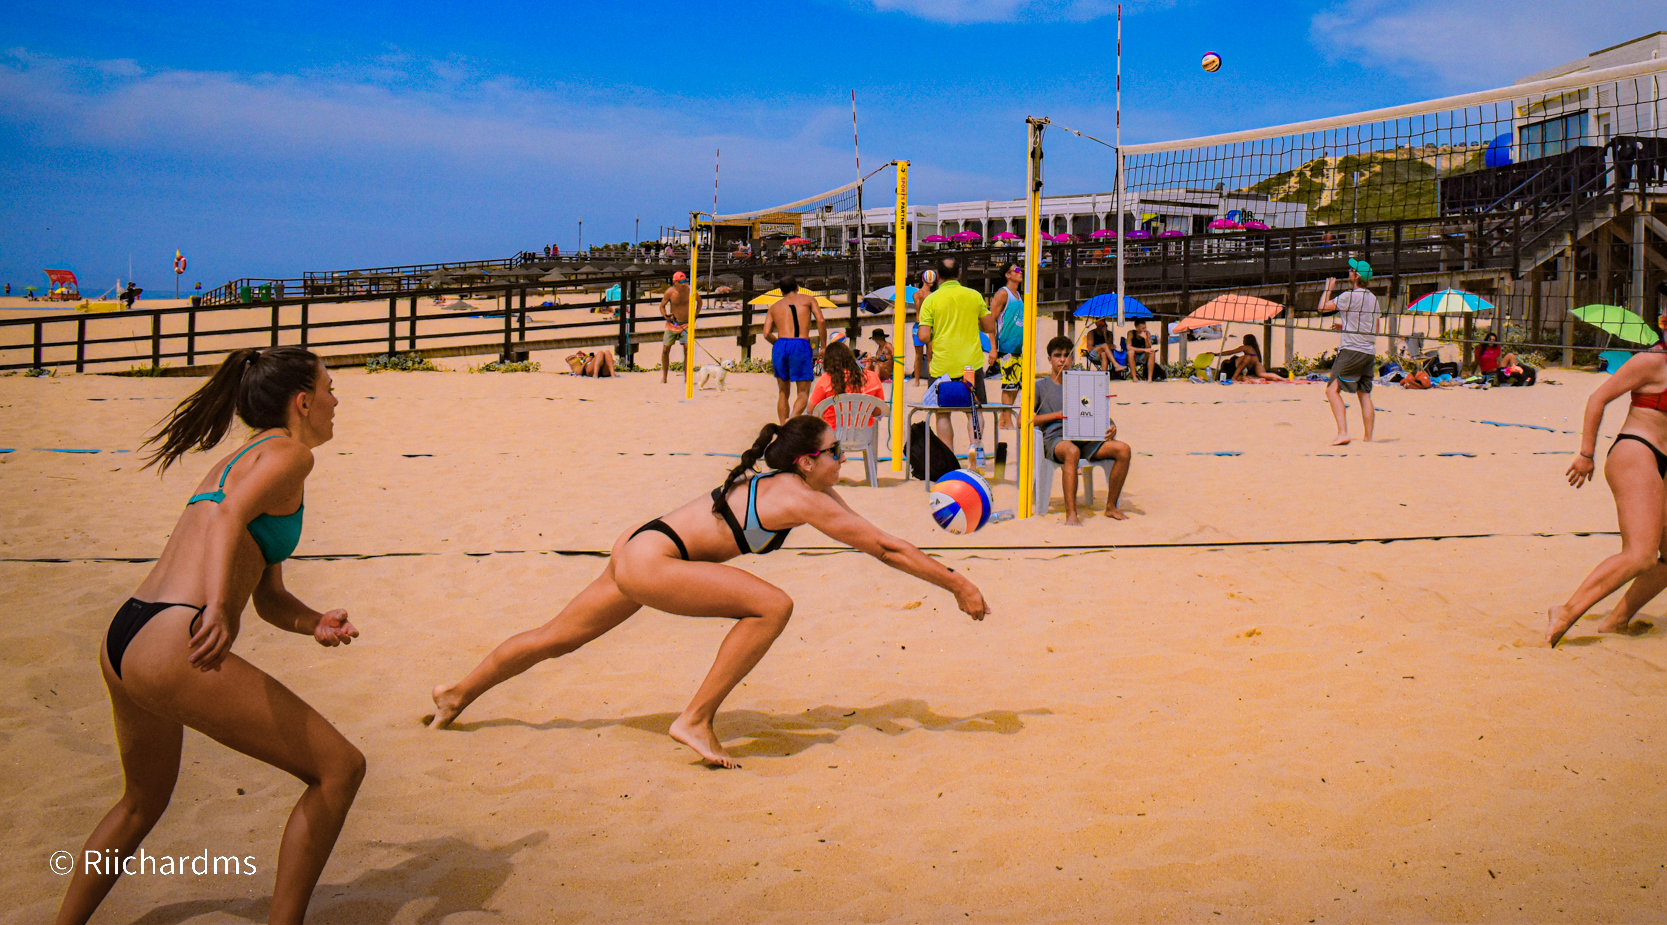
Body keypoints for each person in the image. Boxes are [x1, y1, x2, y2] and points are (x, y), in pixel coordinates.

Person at [429, 416, 988, 767]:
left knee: (555, 639)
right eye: (835, 450)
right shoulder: (801, 496)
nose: (842, 456)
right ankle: (695, 719)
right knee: (772, 606)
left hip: (642, 546)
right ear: (807, 461)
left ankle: (456, 694)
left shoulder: (802, 489)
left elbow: (880, 539)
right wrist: (957, 583)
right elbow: (885, 550)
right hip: (656, 560)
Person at [57, 349, 364, 925]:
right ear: (302, 402)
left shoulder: (242, 459)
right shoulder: (291, 455)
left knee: (140, 803)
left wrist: (313, 621)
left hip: (128, 634)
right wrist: (220, 607)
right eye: (329, 387)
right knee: (339, 769)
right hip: (175, 637)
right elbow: (226, 520)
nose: (335, 400)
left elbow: (269, 596)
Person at [1545, 297, 1667, 647]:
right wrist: (1586, 454)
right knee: (1640, 554)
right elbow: (1597, 399)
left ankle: (1616, 620)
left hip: (1660, 463)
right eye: (1665, 322)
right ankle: (1566, 611)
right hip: (1634, 452)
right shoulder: (1650, 361)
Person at [1033, 335, 1133, 526]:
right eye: (1057, 355)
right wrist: (1056, 415)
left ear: (1072, 358)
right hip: (1057, 439)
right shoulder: (1040, 387)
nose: (1062, 360)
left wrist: (1111, 425)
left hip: (1086, 436)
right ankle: (1071, 513)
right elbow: (1023, 420)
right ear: (1049, 359)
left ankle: (1111, 506)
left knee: (1123, 450)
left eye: (1066, 355)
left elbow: (1098, 410)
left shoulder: (1082, 382)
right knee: (1072, 451)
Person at [916, 258, 997, 453]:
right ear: (959, 274)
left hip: (942, 365)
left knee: (943, 413)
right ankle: (975, 447)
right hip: (971, 364)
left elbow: (924, 336)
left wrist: (935, 331)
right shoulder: (974, 295)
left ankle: (949, 457)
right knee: (974, 410)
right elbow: (989, 326)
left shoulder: (931, 300)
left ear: (938, 275)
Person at [1318, 264, 1381, 445]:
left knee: (1331, 391)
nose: (1349, 271)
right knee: (1364, 394)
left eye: (1352, 270)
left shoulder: (1349, 295)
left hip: (1352, 350)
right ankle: (1368, 439)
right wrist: (1346, 326)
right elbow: (1375, 329)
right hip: (1368, 352)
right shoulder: (1373, 298)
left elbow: (1322, 308)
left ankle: (1343, 433)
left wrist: (1328, 288)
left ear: (1357, 276)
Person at [985, 263, 1029, 459]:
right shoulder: (1003, 294)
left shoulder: (1019, 295)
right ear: (1007, 275)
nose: (1020, 273)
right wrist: (993, 348)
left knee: (1017, 384)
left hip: (1018, 346)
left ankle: (1004, 418)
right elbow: (991, 320)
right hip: (1006, 345)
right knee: (1009, 384)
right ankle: (1006, 420)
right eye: (1016, 270)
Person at [766, 278, 823, 421]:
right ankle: (792, 420)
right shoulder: (808, 300)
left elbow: (766, 333)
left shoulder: (774, 307)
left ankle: (783, 426)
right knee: (803, 393)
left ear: (781, 292)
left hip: (780, 344)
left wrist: (778, 344)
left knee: (783, 393)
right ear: (798, 287)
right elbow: (821, 320)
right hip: (800, 343)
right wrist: (824, 345)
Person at [808, 340, 886, 429]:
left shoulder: (826, 379)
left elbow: (811, 410)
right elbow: (878, 411)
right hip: (864, 434)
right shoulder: (872, 377)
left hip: (833, 434)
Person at [659, 270, 694, 385]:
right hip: (673, 324)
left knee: (688, 349)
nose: (683, 284)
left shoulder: (690, 290)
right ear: (675, 282)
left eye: (684, 281)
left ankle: (687, 377)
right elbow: (662, 306)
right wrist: (666, 315)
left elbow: (699, 302)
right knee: (665, 349)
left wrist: (695, 315)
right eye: (681, 282)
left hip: (686, 324)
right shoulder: (670, 292)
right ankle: (664, 376)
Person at [1220, 333, 1286, 383]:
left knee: (1257, 375)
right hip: (1256, 365)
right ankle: (1280, 379)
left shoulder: (1246, 347)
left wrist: (1218, 354)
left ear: (1247, 340)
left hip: (1253, 366)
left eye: (1244, 339)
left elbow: (1232, 352)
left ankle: (1281, 379)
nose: (1243, 341)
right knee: (1262, 375)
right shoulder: (1255, 349)